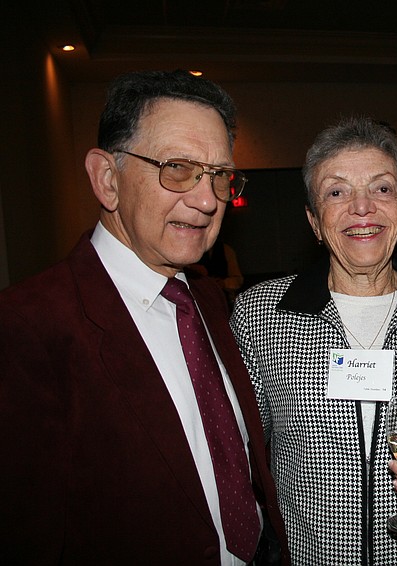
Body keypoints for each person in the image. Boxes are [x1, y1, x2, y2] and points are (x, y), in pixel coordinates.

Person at [0, 69, 288, 565]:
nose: (207, 200)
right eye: (177, 167)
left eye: (219, 175)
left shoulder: (209, 298)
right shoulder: (26, 328)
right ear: (108, 180)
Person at [230, 115, 397, 565]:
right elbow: (240, 452)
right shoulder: (261, 315)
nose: (362, 208)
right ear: (314, 221)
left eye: (381, 189)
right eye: (337, 192)